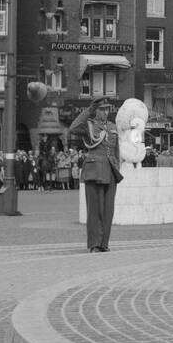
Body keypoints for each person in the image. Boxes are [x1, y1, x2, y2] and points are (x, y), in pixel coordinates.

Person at [69, 97, 121, 252]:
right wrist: (89, 110)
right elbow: (73, 128)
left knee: (108, 210)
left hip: (111, 171)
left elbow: (116, 149)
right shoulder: (88, 125)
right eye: (102, 109)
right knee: (94, 210)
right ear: (96, 110)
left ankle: (104, 243)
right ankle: (94, 244)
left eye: (107, 109)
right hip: (95, 170)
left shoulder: (112, 126)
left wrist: (117, 167)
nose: (105, 112)